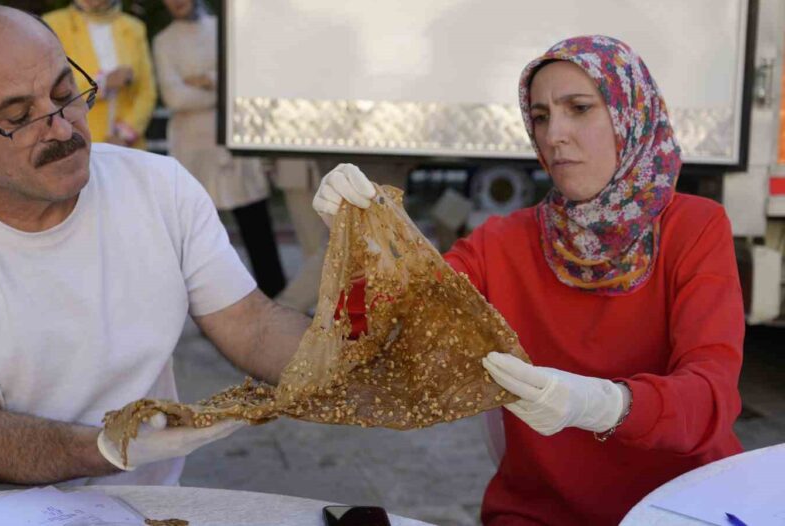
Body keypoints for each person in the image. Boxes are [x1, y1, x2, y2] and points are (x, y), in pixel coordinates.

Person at [0, 5, 309, 501]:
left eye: (64, 94)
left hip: (145, 506)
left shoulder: (161, 188)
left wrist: (357, 357)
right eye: (18, 117)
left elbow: (252, 324)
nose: (61, 128)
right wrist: (114, 447)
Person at [315, 35, 744, 524]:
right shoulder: (502, 242)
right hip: (541, 513)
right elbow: (387, 332)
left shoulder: (695, 227)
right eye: (540, 117)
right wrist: (359, 249)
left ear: (631, 115)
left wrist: (604, 405)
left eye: (578, 108)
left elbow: (711, 397)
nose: (554, 134)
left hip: (686, 506)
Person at [153, 0, 286, 297]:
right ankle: (213, 307)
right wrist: (220, 88)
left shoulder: (223, 29)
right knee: (201, 237)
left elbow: (242, 80)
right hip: (194, 150)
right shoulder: (163, 41)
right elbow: (175, 98)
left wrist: (206, 80)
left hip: (233, 143)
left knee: (257, 229)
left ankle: (279, 298)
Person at [43, 0, 156, 148]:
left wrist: (125, 134)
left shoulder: (134, 28)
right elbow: (50, 85)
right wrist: (102, 83)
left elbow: (147, 91)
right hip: (75, 142)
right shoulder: (53, 24)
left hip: (128, 147)